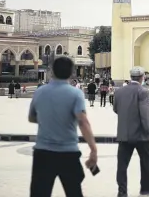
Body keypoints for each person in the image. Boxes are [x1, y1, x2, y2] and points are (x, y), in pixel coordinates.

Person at [29, 56, 98, 197]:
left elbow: (32, 117)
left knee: (39, 193)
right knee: (74, 192)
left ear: (52, 72)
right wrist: (93, 150)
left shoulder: (40, 92)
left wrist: (49, 120)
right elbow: (83, 122)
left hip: (43, 153)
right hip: (68, 153)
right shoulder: (75, 94)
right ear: (72, 72)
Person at [114, 67, 149, 196]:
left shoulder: (119, 91)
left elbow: (116, 109)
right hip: (141, 135)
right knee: (146, 162)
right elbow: (145, 115)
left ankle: (122, 191)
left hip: (124, 133)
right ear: (142, 77)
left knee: (122, 165)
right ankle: (146, 188)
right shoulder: (142, 91)